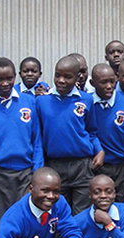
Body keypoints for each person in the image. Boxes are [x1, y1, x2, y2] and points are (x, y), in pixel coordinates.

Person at [0, 57, 43, 234]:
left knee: (26, 219)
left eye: (9, 78)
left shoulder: (29, 102)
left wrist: (37, 174)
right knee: (0, 223)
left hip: (25, 173)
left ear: (15, 77)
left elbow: (36, 141)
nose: (5, 83)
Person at [36, 56, 104, 214]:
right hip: (54, 165)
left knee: (82, 213)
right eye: (57, 75)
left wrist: (99, 150)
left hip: (82, 165)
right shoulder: (41, 101)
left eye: (67, 77)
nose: (61, 80)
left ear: (77, 77)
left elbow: (91, 131)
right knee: (57, 213)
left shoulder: (86, 99)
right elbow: (37, 138)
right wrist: (39, 167)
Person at [90, 63, 124, 202]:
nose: (109, 86)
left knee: (122, 203)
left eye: (112, 82)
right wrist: (98, 149)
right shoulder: (87, 102)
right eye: (103, 82)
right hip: (97, 166)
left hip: (122, 166)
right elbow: (88, 132)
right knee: (99, 203)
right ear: (93, 83)